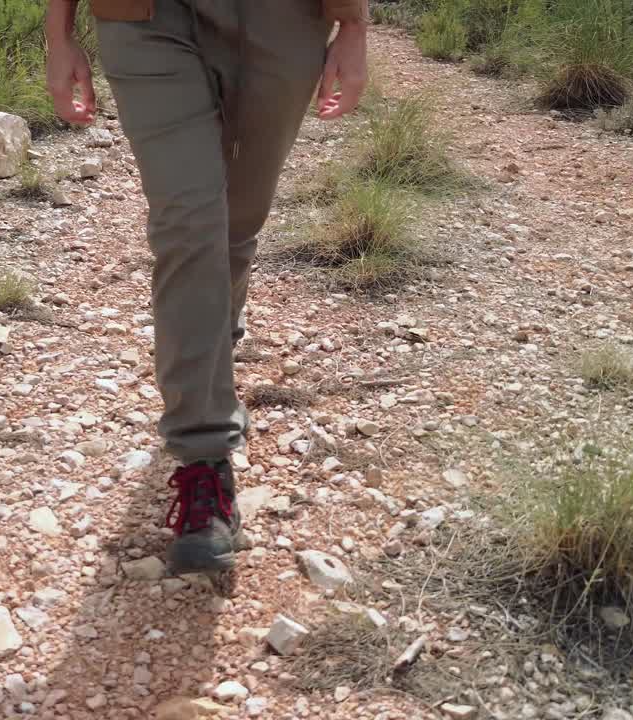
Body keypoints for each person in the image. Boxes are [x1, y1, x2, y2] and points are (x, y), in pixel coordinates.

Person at [45, 0, 369, 573]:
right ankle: (203, 459)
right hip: (145, 18)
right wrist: (59, 29)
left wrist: (354, 23)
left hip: (283, 19)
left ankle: (214, 337)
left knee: (235, 226)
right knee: (190, 223)